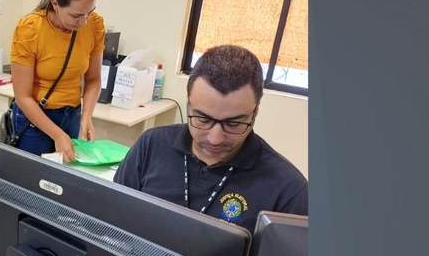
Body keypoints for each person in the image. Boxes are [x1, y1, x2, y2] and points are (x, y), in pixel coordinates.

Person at [113, 45, 308, 232]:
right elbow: (112, 218)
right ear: (189, 105)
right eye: (203, 119)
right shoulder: (151, 145)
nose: (215, 139)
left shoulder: (288, 189)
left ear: (254, 112)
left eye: (233, 124)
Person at [10, 0, 105, 162]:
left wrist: (86, 117)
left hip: (72, 116)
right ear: (55, 4)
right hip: (35, 121)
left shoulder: (94, 26)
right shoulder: (30, 29)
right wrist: (57, 134)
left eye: (90, 12)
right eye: (76, 16)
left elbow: (94, 80)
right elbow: (23, 97)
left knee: (64, 185)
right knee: (32, 184)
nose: (84, 22)